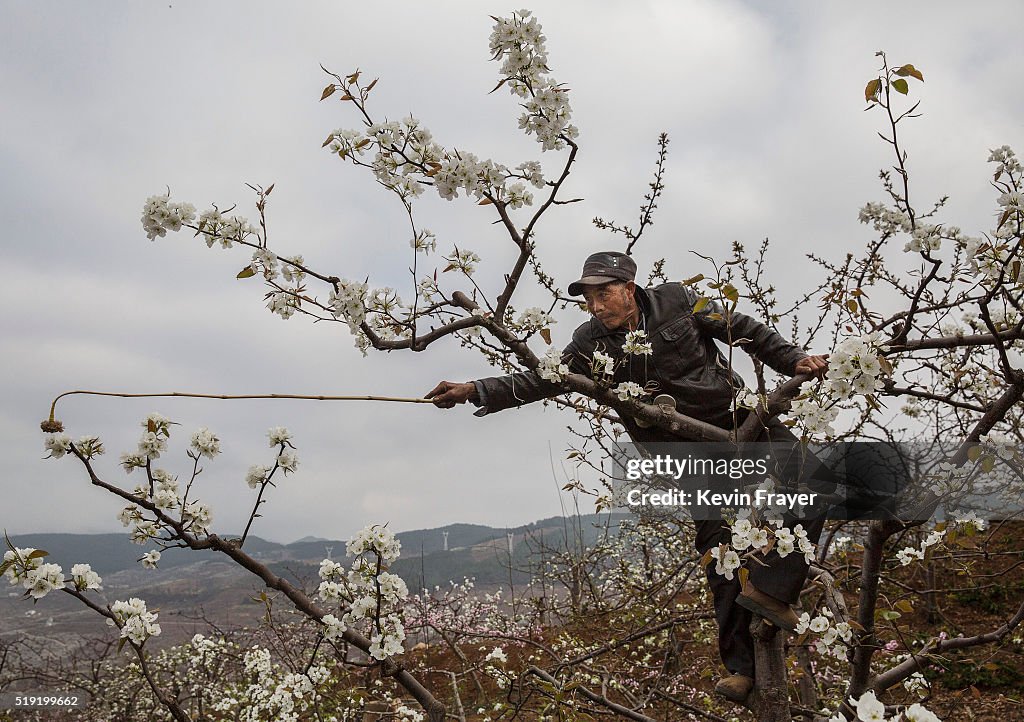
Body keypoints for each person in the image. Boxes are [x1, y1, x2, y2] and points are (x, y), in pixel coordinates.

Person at [427, 251, 829, 703]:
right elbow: (545, 379)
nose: (596, 306)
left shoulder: (680, 301)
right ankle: (742, 669)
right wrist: (474, 389)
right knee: (720, 546)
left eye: (604, 294)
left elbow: (745, 330)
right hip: (681, 449)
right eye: (588, 298)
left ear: (629, 289)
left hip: (737, 418)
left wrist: (793, 361)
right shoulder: (587, 344)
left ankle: (773, 589)